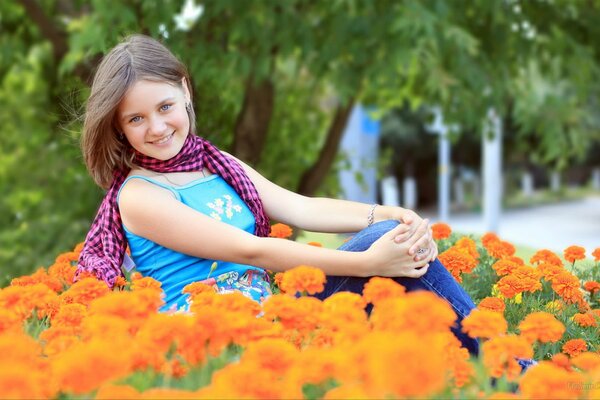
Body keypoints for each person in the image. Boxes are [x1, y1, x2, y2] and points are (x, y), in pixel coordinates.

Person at [76, 34, 479, 356]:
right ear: (118, 127)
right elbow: (252, 251)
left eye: (165, 107)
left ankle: (501, 368)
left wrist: (390, 213)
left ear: (185, 90)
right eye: (136, 119)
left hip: (270, 316)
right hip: (215, 343)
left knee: (394, 234)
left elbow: (302, 207)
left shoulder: (215, 164)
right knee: (386, 246)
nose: (157, 127)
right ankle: (510, 368)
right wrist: (367, 262)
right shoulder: (139, 195)